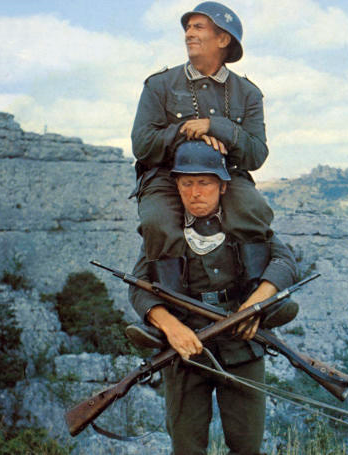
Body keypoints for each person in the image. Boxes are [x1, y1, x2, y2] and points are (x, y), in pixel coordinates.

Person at [129, 141, 297, 455]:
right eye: (186, 183)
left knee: (247, 446)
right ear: (176, 186)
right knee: (186, 447)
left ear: (222, 186)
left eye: (204, 182)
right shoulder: (163, 231)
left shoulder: (245, 223)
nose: (195, 193)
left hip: (242, 342)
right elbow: (139, 286)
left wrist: (255, 305)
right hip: (184, 349)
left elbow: (285, 262)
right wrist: (170, 327)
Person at [130, 1, 274, 287]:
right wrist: (186, 131)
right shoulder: (160, 85)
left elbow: (257, 154)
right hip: (167, 175)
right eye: (188, 28)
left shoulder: (248, 93)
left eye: (198, 27)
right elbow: (142, 145)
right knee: (157, 220)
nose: (188, 34)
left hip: (225, 175)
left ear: (223, 39)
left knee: (253, 209)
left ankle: (256, 291)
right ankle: (170, 296)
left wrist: (217, 127)